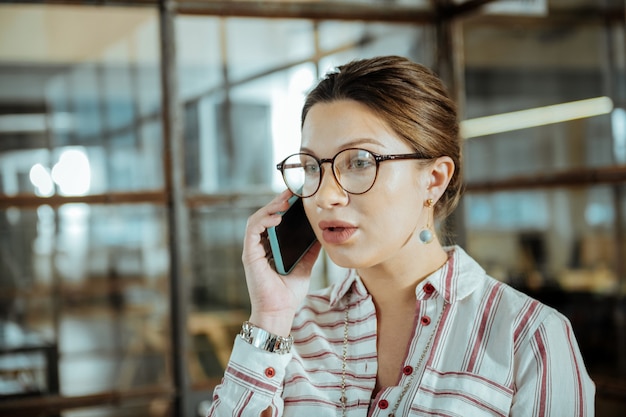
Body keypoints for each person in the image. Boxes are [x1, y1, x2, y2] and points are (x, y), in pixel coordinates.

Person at [207, 55, 594, 416]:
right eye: (311, 166)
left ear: (434, 179)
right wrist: (270, 318)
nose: (325, 195)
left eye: (359, 162)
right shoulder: (291, 330)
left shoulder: (527, 338)